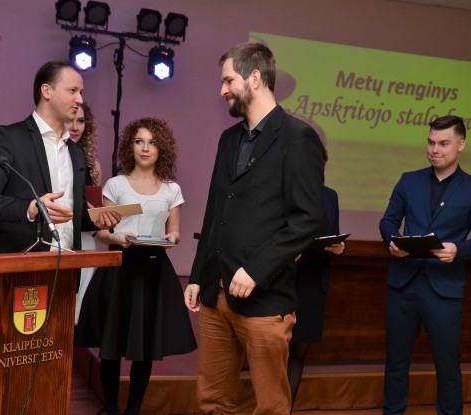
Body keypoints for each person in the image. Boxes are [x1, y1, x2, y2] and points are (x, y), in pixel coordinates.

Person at [184, 42, 326, 415]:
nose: (222, 90)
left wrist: (256, 270)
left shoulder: (298, 138)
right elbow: (215, 212)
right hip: (215, 294)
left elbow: (308, 219)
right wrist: (198, 274)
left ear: (255, 78)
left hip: (265, 298)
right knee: (212, 402)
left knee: (271, 407)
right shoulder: (228, 139)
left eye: (228, 80)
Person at [74, 117, 197, 415]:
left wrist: (171, 238)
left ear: (161, 149)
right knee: (112, 344)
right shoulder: (115, 185)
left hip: (153, 269)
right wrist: (115, 236)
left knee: (146, 347)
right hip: (118, 266)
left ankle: (133, 410)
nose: (145, 148)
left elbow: (175, 233)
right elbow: (101, 232)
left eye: (152, 143)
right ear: (130, 146)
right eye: (139, 141)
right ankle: (111, 408)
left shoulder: (172, 189)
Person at [379, 115, 471, 415]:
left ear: (461, 144)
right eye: (431, 143)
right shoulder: (408, 180)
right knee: (395, 363)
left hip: (444, 289)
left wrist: (458, 249)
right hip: (403, 284)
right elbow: (389, 221)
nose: (434, 150)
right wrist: (392, 240)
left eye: (443, 144)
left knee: (447, 365)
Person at [0, 60, 118, 253]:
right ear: (47, 91)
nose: (80, 99)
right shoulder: (7, 138)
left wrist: (97, 220)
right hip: (20, 261)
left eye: (81, 92)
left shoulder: (76, 152)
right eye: (72, 91)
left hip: (68, 263)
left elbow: (74, 215)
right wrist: (30, 209)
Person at [287, 147, 345, 413]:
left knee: (299, 354)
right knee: (274, 354)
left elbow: (333, 234)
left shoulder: (330, 196)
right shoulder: (284, 192)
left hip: (314, 283)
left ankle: (285, 411)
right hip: (285, 280)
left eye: (320, 163)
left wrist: (340, 247)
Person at [67, 102, 104, 324]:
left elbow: (96, 209)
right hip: (57, 239)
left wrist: (100, 214)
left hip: (84, 240)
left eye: (80, 121)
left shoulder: (93, 166)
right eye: (70, 120)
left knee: (78, 312)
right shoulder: (48, 159)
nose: (75, 127)